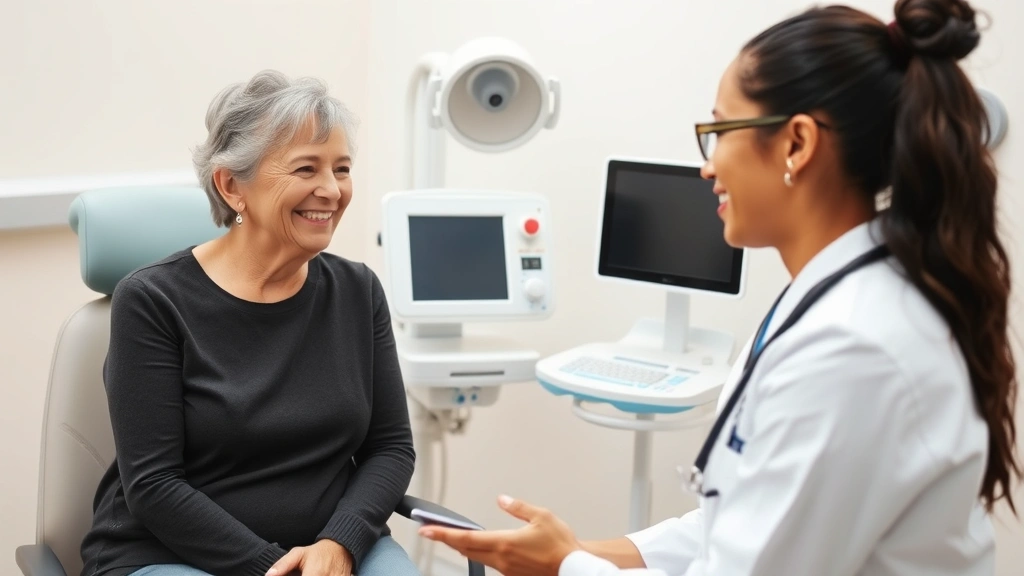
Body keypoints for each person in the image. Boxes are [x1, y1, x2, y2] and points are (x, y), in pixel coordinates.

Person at [420, 0, 1021, 574]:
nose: (708, 165)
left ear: (796, 143)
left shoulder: (855, 347)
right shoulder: (822, 302)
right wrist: (583, 550)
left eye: (720, 130)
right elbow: (738, 523)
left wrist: (567, 564)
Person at [80, 71, 419, 576]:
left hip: (330, 548)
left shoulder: (357, 290)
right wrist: (270, 566)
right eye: (306, 169)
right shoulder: (151, 300)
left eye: (342, 169)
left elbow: (391, 448)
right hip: (171, 553)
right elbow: (153, 484)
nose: (331, 190)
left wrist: (340, 543)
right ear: (231, 185)